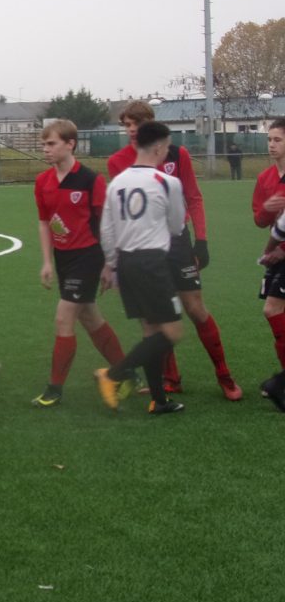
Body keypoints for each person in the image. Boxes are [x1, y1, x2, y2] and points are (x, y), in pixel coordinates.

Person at [108, 101, 239, 400]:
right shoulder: (117, 161)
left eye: (136, 124)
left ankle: (224, 376)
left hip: (177, 241)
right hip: (143, 247)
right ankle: (171, 380)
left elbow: (193, 197)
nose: (130, 130)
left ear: (150, 124)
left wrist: (201, 240)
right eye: (126, 125)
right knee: (154, 318)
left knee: (194, 308)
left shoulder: (177, 154)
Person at [94, 121, 188, 414]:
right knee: (171, 332)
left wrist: (111, 265)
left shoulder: (117, 182)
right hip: (152, 262)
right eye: (168, 146)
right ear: (159, 147)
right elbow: (176, 226)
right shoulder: (167, 182)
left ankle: (159, 400)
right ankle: (112, 374)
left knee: (150, 331)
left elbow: (106, 231)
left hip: (125, 261)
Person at [31, 120, 126, 407]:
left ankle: (54, 390)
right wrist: (47, 261)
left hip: (88, 256)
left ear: (70, 144)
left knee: (64, 317)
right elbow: (44, 223)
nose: (46, 149)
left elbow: (105, 225)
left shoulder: (90, 179)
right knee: (90, 317)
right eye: (44, 144)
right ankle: (127, 371)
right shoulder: (42, 182)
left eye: (52, 144)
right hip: (64, 259)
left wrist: (109, 264)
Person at [251, 118, 285, 404]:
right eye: (269, 139)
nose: (272, 145)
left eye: (278, 140)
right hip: (277, 255)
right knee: (275, 311)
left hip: (282, 252)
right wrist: (266, 207)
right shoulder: (265, 179)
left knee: (272, 309)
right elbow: (260, 221)